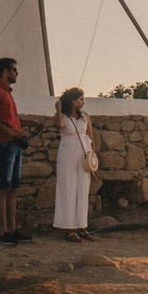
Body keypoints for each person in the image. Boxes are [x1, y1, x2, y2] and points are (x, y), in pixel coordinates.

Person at [0, 56, 30, 245]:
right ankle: (2, 232)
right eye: (14, 69)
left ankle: (12, 229)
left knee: (13, 188)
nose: (17, 73)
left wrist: (20, 128)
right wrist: (10, 131)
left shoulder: (8, 94)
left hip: (14, 144)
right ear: (5, 71)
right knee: (3, 188)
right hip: (3, 144)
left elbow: (9, 119)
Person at [53, 86, 98, 240]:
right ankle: (69, 228)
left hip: (83, 156)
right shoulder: (63, 117)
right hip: (68, 156)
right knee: (68, 190)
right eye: (80, 100)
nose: (83, 103)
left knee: (82, 190)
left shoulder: (85, 116)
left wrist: (93, 158)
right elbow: (58, 125)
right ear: (72, 101)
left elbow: (90, 136)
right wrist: (58, 109)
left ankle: (82, 227)